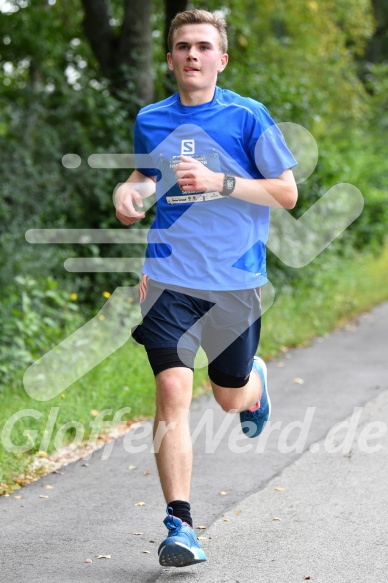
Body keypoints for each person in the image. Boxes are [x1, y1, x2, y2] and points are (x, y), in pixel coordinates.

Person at [115, 9, 297, 568]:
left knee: (227, 396)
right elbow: (147, 175)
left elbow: (287, 193)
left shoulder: (247, 117)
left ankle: (253, 384)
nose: (191, 55)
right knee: (172, 392)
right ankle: (181, 525)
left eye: (202, 46)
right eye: (181, 46)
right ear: (170, 58)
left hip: (235, 284)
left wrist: (222, 181)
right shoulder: (152, 118)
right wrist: (131, 191)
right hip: (168, 278)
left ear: (221, 59)